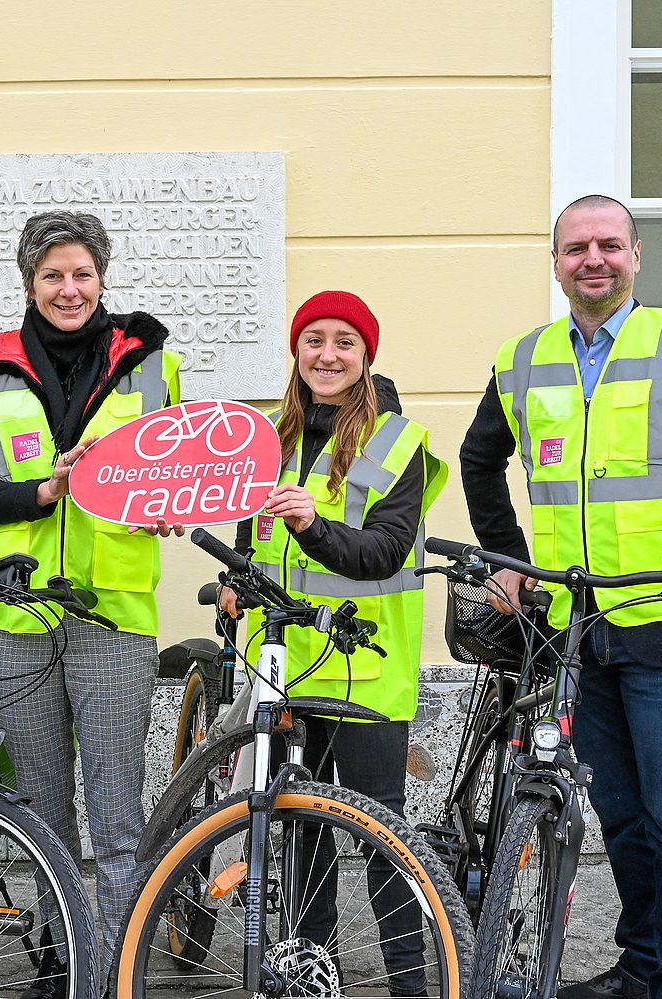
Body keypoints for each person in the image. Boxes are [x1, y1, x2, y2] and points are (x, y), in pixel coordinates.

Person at [459, 194, 662, 999]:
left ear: (635, 254)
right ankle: (641, 965)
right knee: (624, 821)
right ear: (555, 262)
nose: (591, 259)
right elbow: (479, 459)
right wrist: (510, 559)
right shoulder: (521, 358)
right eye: (575, 248)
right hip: (575, 629)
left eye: (607, 245)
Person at [0, 209, 182, 988]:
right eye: (52, 274)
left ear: (102, 278)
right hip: (21, 620)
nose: (69, 288)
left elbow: (171, 472)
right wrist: (44, 488)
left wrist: (168, 502)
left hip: (114, 616)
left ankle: (119, 970)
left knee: (120, 819)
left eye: (82, 273)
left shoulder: (150, 360)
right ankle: (62, 966)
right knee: (42, 814)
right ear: (30, 280)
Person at [221, 289, 448, 997]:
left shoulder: (397, 441)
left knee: (384, 838)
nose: (327, 354)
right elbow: (247, 540)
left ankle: (413, 980)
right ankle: (312, 974)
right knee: (300, 828)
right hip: (283, 664)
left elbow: (383, 552)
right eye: (314, 339)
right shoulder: (268, 436)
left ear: (365, 357)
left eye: (344, 342)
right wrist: (235, 578)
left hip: (365, 667)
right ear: (296, 351)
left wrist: (310, 525)